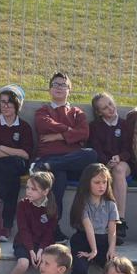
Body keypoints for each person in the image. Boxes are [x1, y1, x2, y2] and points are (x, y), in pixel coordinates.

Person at [32, 72, 97, 225]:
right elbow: (44, 125)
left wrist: (58, 136)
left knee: (91, 154)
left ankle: (49, 166)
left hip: (71, 161)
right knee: (58, 179)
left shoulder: (77, 113)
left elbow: (84, 133)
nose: (59, 87)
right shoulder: (43, 111)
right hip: (50, 156)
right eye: (55, 84)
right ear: (50, 89)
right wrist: (69, 131)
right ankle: (53, 227)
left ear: (69, 90)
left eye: (63, 85)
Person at [0, 84, 33, 234]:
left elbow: (26, 154)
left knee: (13, 166)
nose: (5, 106)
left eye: (9, 102)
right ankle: (6, 225)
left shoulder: (24, 127)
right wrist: (15, 152)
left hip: (18, 165)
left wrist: (2, 147)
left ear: (17, 104)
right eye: (2, 102)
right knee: (11, 177)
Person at [69, 163, 119, 274]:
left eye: (104, 182)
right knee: (80, 270)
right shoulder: (82, 203)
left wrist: (111, 249)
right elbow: (88, 227)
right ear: (87, 183)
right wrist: (93, 250)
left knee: (115, 270)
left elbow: (112, 230)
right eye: (97, 182)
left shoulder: (111, 204)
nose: (101, 186)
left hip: (102, 241)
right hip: (83, 241)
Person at [89, 92, 132, 235]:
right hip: (105, 164)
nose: (110, 108)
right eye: (105, 108)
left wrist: (119, 157)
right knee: (102, 174)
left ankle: (120, 219)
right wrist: (106, 163)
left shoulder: (125, 124)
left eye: (110, 104)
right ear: (99, 112)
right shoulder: (94, 127)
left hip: (123, 163)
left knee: (118, 170)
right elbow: (96, 149)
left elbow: (130, 150)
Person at [11, 171, 57, 274]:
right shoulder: (23, 204)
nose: (28, 191)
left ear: (45, 191)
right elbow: (23, 229)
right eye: (27, 188)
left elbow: (49, 233)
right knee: (23, 263)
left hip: (43, 245)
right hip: (24, 243)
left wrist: (41, 250)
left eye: (33, 189)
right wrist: (31, 251)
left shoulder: (52, 207)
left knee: (50, 266)